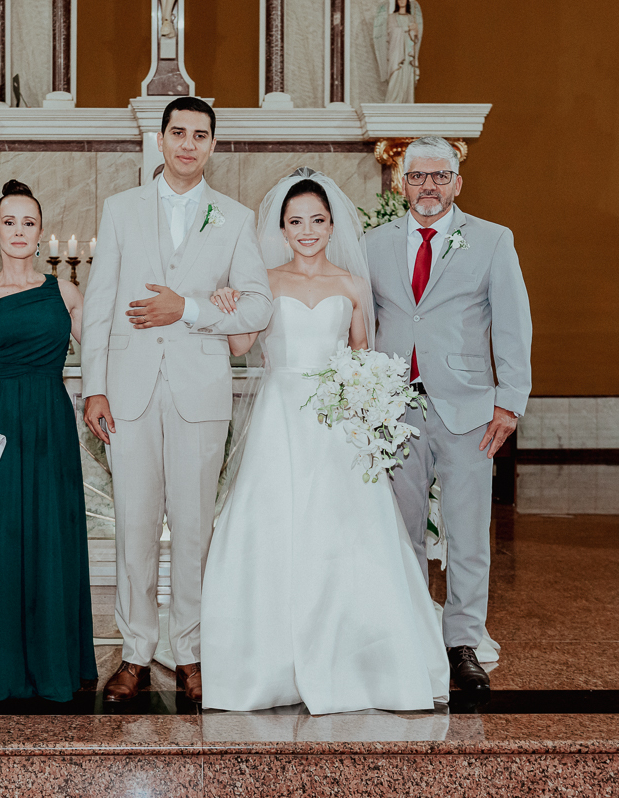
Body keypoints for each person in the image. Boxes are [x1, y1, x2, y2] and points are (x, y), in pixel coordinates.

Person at [200, 170, 450, 714]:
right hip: (279, 419)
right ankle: (266, 665)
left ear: (332, 224)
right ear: (282, 230)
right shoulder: (265, 280)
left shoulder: (351, 285)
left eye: (316, 220)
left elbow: (364, 355)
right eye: (296, 222)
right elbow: (243, 342)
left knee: (349, 534)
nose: (307, 230)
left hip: (337, 423)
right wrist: (225, 303)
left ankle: (358, 663)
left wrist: (367, 406)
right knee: (274, 528)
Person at [81, 97, 273, 703]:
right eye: (179, 133)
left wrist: (187, 308)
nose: (189, 144)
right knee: (134, 528)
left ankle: (190, 653)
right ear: (160, 140)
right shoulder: (119, 210)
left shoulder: (235, 218)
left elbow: (258, 306)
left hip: (199, 395)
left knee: (194, 531)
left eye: (201, 135)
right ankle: (135, 653)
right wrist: (95, 388)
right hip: (130, 394)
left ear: (213, 145)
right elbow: (99, 305)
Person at [363, 136, 532, 693]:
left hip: (467, 410)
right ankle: (410, 632)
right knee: (399, 532)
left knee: (466, 534)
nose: (428, 186)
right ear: (401, 182)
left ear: (458, 183)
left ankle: (463, 644)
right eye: (418, 176)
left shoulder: (491, 240)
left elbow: (511, 324)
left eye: (440, 176)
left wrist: (509, 401)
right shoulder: (372, 244)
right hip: (393, 410)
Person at [0, 180, 97, 700]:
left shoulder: (65, 292)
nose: (18, 231)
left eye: (28, 222)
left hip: (50, 424)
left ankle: (51, 664)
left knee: (51, 538)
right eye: (8, 222)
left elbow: (104, 351)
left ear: (40, 233)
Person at [373, 0, 423, 104]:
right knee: (395, 75)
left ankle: (406, 100)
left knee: (407, 76)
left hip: (408, 55)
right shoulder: (391, 17)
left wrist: (414, 31)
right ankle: (392, 101)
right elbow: (391, 32)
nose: (402, 1)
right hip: (396, 52)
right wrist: (406, 29)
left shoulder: (411, 18)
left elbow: (415, 40)